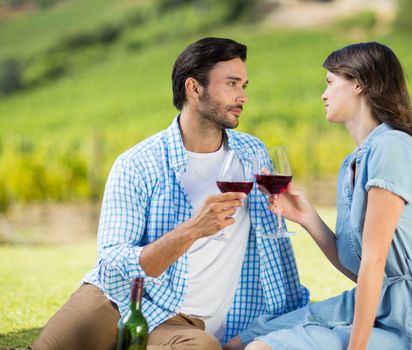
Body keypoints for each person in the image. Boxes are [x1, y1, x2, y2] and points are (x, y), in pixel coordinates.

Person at [30, 37, 308, 350]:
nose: (242, 96)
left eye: (244, 85)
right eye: (231, 84)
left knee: (203, 348)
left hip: (185, 326)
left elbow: (276, 246)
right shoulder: (138, 164)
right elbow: (112, 260)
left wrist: (290, 313)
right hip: (116, 301)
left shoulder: (252, 153)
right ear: (194, 88)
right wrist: (192, 230)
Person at [225, 41, 412, 350]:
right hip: (370, 304)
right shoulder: (352, 162)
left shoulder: (392, 147)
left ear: (359, 84)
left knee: (262, 349)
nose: (324, 94)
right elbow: (359, 270)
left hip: (409, 322)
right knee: (243, 340)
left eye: (330, 83)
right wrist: (308, 218)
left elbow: (373, 263)